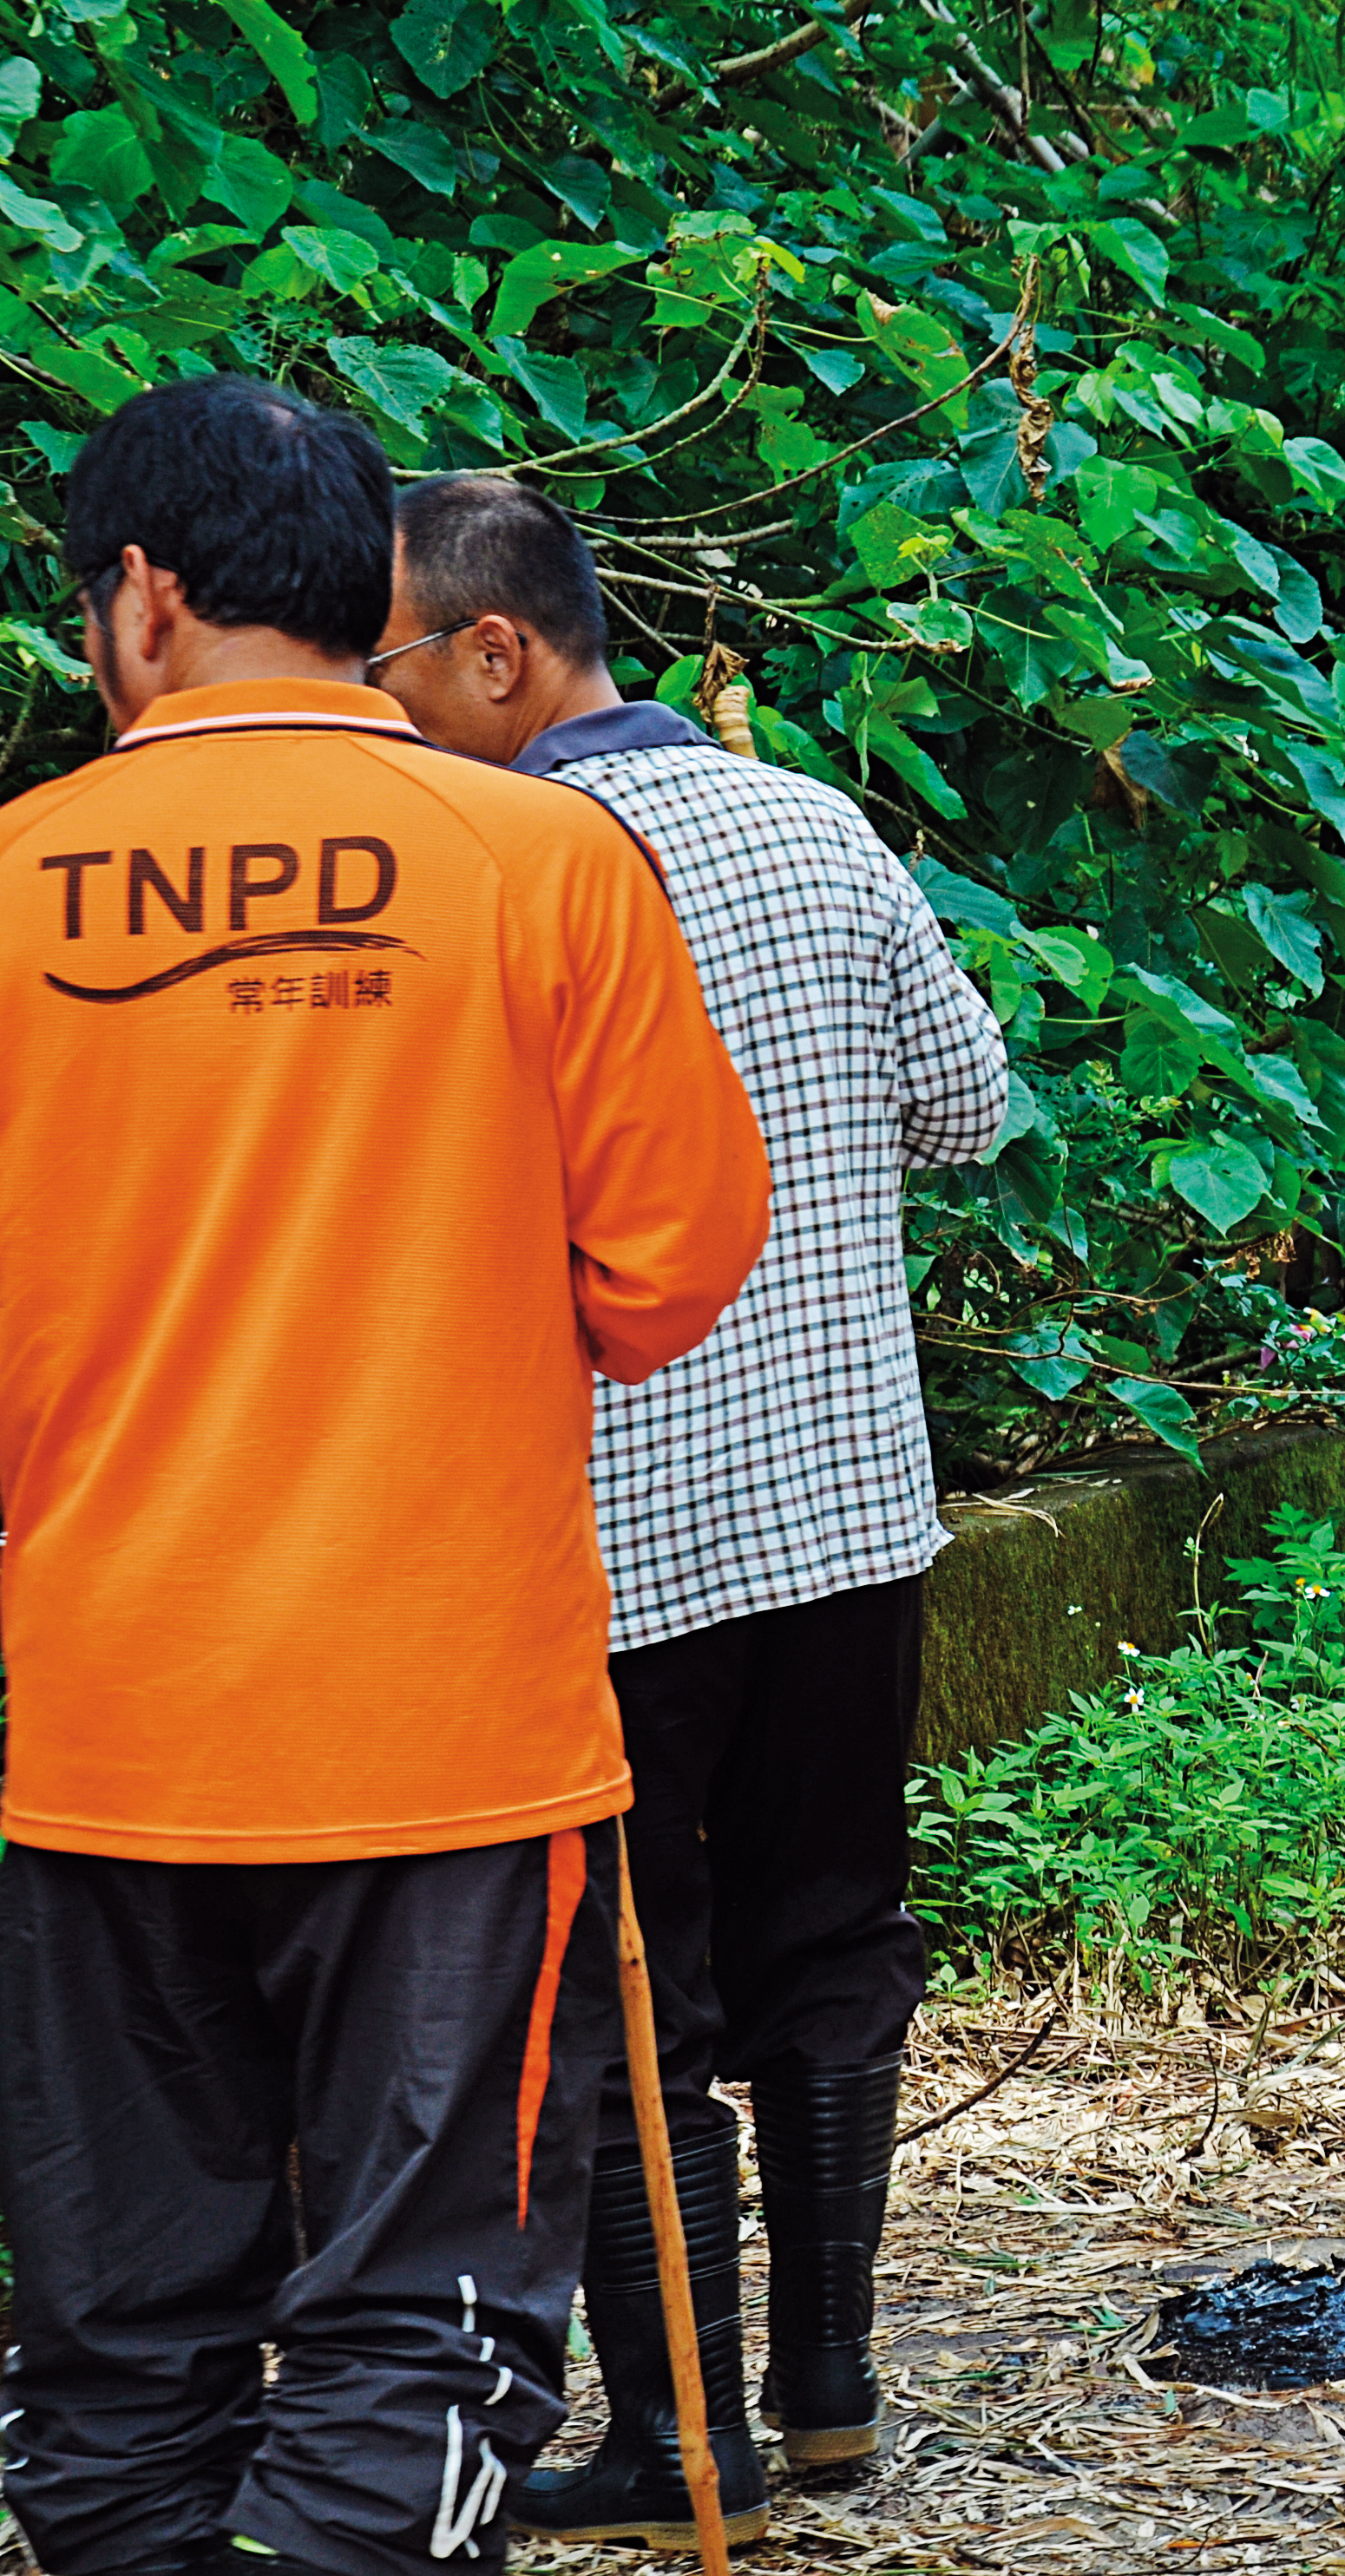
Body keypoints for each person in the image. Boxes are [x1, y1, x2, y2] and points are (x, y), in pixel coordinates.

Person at [0, 375, 769, 2576]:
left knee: (117, 2349)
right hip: (443, 1743)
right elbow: (668, 1274)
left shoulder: (10, 885)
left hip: (107, 1733)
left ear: (142, 601)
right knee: (421, 2340)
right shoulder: (542, 860)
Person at [367, 474, 1011, 2545]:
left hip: (608, 1535)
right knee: (834, 1944)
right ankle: (825, 2398)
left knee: (629, 1980)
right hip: (848, 1510)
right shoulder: (814, 823)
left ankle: (682, 2438)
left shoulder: (478, 866)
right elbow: (973, 1110)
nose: (366, 711)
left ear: (494, 651)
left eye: (380, 664)